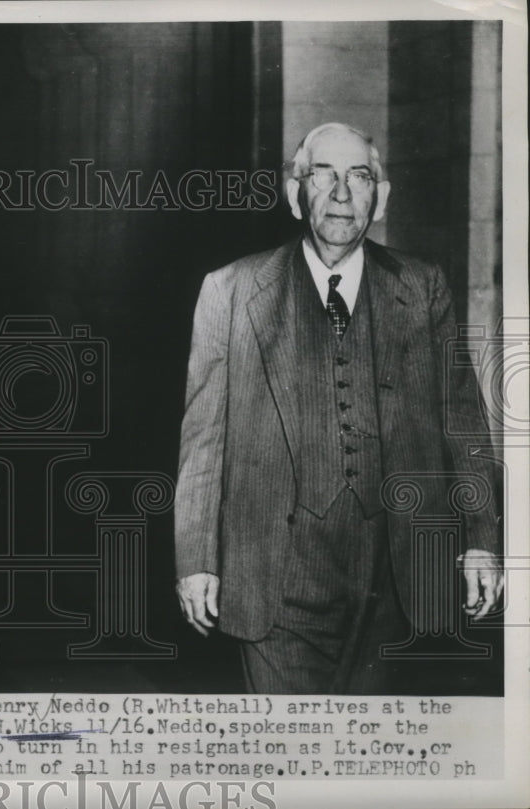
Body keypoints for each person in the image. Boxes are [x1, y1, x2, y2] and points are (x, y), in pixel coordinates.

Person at [174, 122, 503, 694]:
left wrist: (480, 537)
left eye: (360, 176)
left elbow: (463, 419)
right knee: (290, 755)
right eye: (323, 175)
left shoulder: (423, 288)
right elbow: (204, 439)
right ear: (294, 192)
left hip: (392, 571)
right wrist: (195, 558)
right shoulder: (230, 291)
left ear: (381, 198)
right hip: (274, 570)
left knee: (367, 762)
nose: (343, 194)